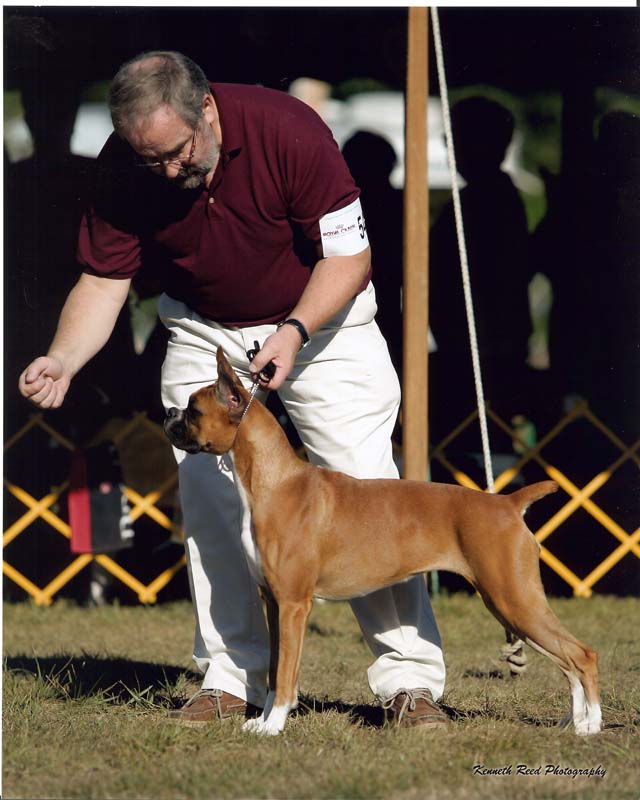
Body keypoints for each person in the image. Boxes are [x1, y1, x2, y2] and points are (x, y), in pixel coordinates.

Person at [19, 51, 447, 728]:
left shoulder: (291, 130)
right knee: (211, 500)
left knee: (369, 489)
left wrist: (296, 330)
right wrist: (65, 358)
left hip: (323, 318)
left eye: (178, 152)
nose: (165, 171)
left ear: (208, 110)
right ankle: (230, 678)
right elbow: (104, 282)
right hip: (203, 329)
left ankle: (408, 684)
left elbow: (350, 257)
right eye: (149, 158)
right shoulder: (124, 164)